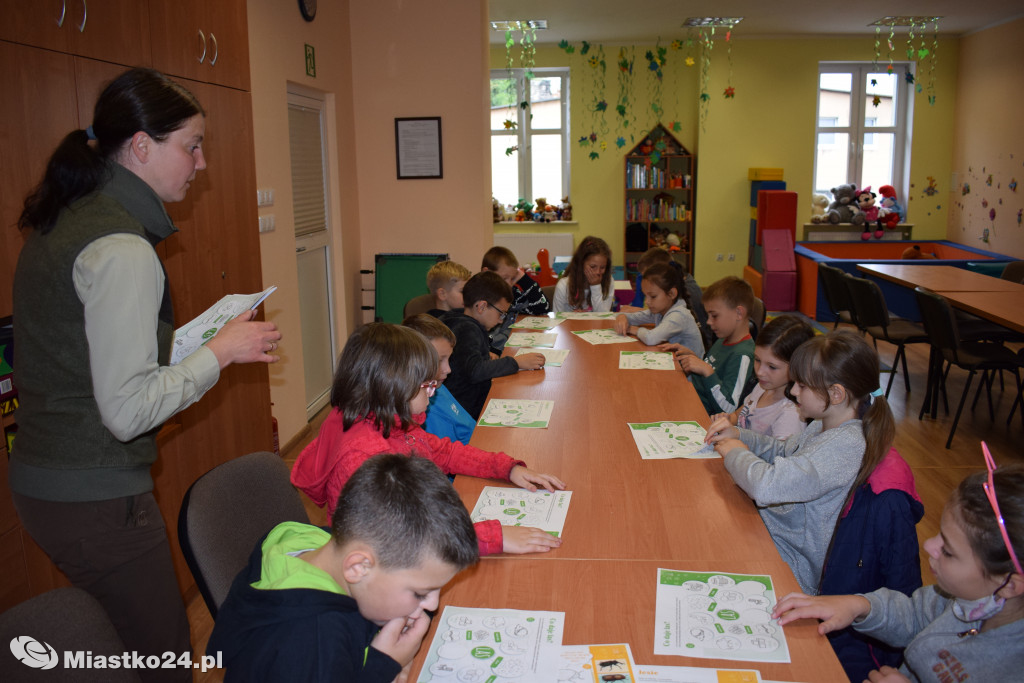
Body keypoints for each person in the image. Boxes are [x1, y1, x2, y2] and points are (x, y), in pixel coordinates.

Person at [10, 67, 281, 678]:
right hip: (90, 491)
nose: (201, 162)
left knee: (125, 645)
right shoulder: (122, 248)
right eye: (190, 145)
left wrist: (188, 352)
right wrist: (220, 353)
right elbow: (127, 409)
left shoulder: (72, 216)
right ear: (140, 145)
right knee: (160, 655)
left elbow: (84, 353)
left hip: (50, 479)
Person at [290, 323, 563, 556]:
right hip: (382, 570)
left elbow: (442, 452)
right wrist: (494, 536)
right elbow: (405, 539)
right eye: (427, 384)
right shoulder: (366, 457)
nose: (433, 392)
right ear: (392, 386)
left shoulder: (390, 422)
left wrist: (507, 468)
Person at [210, 453, 480, 682]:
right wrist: (384, 665)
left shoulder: (317, 542)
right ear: (359, 567)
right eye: (421, 593)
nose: (433, 605)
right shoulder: (311, 643)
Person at [773, 451, 1024, 683]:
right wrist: (860, 605)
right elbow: (915, 614)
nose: (928, 545)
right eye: (940, 535)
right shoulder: (960, 597)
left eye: (947, 551)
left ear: (1009, 584)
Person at [705, 330, 896, 595]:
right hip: (772, 534)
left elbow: (766, 487)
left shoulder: (845, 446)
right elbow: (784, 450)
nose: (793, 391)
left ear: (836, 394)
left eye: (802, 386)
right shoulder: (823, 423)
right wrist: (739, 434)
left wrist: (735, 451)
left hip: (790, 564)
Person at [441, 272, 545, 420]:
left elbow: (466, 360)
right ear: (482, 306)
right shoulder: (466, 328)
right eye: (501, 314)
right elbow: (475, 371)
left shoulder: (459, 321)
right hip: (468, 411)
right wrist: (516, 362)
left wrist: (484, 355)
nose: (501, 321)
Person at [711, 314, 815, 441]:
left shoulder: (790, 415)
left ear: (797, 366)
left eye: (772, 367)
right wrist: (726, 419)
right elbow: (737, 416)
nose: (760, 372)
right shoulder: (761, 387)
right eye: (757, 360)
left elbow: (778, 458)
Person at [662, 276, 755, 416]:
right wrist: (692, 357)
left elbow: (729, 409)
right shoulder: (723, 339)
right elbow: (713, 368)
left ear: (738, 313)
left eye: (714, 316)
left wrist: (707, 371)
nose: (709, 322)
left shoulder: (742, 355)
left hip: (702, 418)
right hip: (691, 400)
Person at [402, 313, 476, 444]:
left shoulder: (437, 386)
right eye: (439, 360)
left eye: (448, 359)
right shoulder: (425, 409)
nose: (448, 369)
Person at [613, 262, 703, 352]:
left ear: (672, 294)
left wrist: (634, 329)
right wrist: (622, 317)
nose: (647, 302)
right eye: (645, 296)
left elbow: (651, 338)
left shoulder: (678, 315)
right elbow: (636, 317)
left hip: (690, 365)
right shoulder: (660, 310)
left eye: (653, 296)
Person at [480, 245, 549, 352]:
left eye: (513, 278)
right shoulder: (478, 299)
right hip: (495, 354)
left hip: (510, 347)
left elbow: (542, 308)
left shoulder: (511, 293)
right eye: (504, 278)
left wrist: (524, 279)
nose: (509, 284)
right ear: (486, 273)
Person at [552, 235, 615, 313]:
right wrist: (574, 318)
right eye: (593, 267)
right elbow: (557, 320)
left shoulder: (608, 281)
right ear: (581, 263)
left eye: (602, 267)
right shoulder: (563, 285)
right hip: (570, 325)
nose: (597, 272)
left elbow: (603, 316)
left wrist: (595, 286)